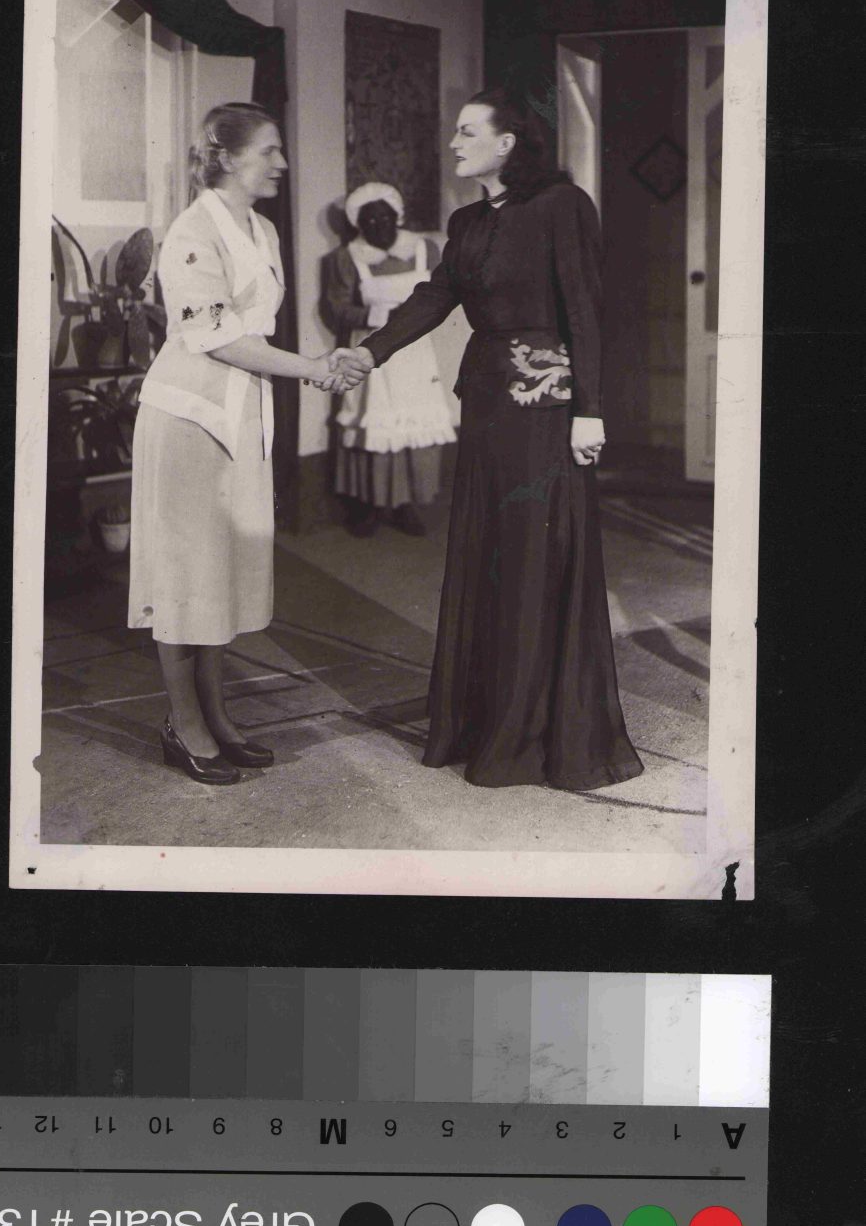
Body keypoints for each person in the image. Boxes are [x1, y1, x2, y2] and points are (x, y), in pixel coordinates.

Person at [332, 89, 644, 791]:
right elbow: (435, 295)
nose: (454, 143)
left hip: (544, 404)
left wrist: (590, 411)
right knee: (490, 552)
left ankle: (533, 730)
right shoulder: (467, 220)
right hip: (485, 403)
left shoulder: (563, 205)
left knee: (536, 553)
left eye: (467, 132)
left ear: (508, 143)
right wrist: (369, 353)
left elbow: (585, 308)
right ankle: (487, 719)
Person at [128, 102, 349, 786]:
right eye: (269, 150)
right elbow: (217, 337)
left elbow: (255, 329)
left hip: (241, 416)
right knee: (186, 573)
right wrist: (313, 368)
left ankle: (217, 717)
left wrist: (311, 365)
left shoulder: (262, 229)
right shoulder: (192, 232)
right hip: (190, 419)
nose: (282, 162)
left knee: (218, 571)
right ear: (226, 157)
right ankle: (184, 724)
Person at [323, 181, 457, 537]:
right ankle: (369, 506)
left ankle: (404, 504)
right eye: (369, 220)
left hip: (415, 354)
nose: (378, 225)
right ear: (358, 224)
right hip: (370, 352)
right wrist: (376, 315)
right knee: (374, 424)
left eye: (385, 217)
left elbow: (442, 297)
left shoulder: (425, 249)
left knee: (411, 424)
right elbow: (336, 309)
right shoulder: (346, 258)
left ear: (397, 217)